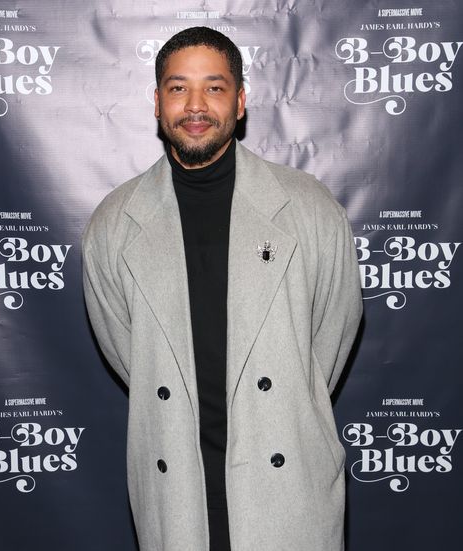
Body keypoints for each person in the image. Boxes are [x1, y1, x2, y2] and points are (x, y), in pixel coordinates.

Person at [82, 26, 362, 551]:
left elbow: (330, 338)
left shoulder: (309, 208)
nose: (195, 105)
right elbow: (130, 355)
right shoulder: (114, 224)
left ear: (240, 101)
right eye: (177, 87)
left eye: (214, 87)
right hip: (175, 488)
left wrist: (281, 403)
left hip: (288, 484)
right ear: (158, 101)